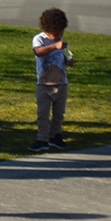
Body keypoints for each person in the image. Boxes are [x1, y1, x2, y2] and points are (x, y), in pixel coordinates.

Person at [30, 8, 73, 152]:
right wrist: (54, 46)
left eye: (61, 33)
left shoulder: (60, 40)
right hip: (44, 84)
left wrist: (67, 61)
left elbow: (60, 56)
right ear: (47, 29)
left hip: (61, 83)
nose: (59, 36)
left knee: (59, 113)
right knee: (43, 113)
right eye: (56, 33)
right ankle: (42, 138)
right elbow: (38, 52)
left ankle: (56, 136)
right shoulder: (39, 39)